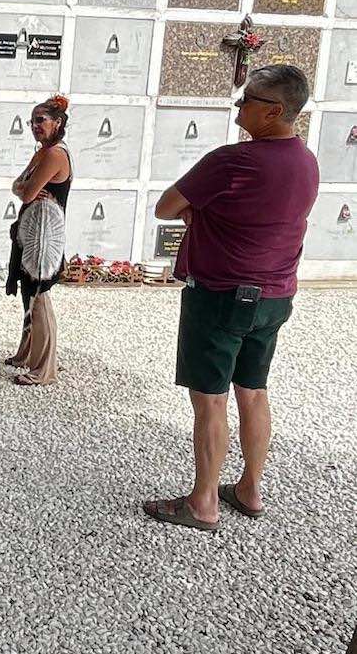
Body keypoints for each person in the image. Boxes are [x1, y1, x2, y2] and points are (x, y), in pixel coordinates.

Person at [144, 64, 319, 531]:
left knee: (210, 401)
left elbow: (166, 207)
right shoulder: (307, 161)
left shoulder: (233, 161)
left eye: (248, 99)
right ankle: (249, 489)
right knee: (254, 392)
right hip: (275, 296)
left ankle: (203, 503)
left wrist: (200, 214)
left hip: (222, 295)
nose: (239, 106)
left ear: (274, 111)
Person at [4, 95, 72, 387]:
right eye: (32, 121)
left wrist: (24, 188)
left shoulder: (55, 154)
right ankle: (28, 354)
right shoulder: (42, 153)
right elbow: (18, 186)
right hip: (33, 230)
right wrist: (23, 188)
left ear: (57, 122)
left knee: (39, 294)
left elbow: (27, 192)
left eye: (40, 120)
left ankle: (44, 368)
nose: (35, 126)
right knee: (28, 292)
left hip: (45, 234)